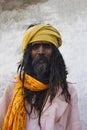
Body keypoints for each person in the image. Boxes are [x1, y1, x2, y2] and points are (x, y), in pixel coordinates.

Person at [0, 24, 82, 130]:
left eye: (47, 46)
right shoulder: (14, 87)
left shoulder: (67, 91)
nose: (41, 51)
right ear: (28, 54)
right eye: (35, 47)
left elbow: (74, 126)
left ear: (55, 54)